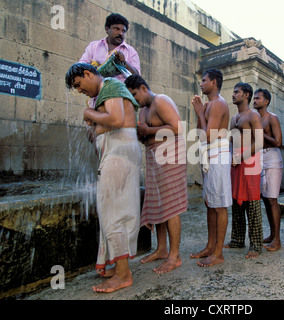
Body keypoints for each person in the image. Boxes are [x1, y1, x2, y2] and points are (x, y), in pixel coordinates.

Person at [65, 63, 142, 293]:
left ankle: (123, 275)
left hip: (119, 152)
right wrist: (95, 121)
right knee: (114, 210)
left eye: (79, 85)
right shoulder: (106, 92)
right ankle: (118, 267)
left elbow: (117, 120)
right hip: (119, 151)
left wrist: (89, 114)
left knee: (114, 212)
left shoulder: (110, 85)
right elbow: (104, 126)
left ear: (88, 74)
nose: (80, 91)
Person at [125, 74, 188, 273]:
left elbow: (178, 127)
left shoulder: (161, 100)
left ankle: (174, 256)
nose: (135, 100)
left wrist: (148, 130)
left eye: (135, 95)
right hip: (154, 157)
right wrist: (140, 133)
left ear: (143, 88)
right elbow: (146, 133)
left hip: (171, 156)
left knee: (171, 206)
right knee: (159, 204)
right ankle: (161, 249)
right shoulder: (143, 109)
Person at [190, 68, 232, 267]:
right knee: (210, 203)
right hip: (209, 154)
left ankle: (218, 252)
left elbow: (208, 136)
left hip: (218, 154)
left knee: (220, 204)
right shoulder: (209, 105)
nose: (201, 84)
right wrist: (200, 113)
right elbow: (200, 131)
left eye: (204, 80)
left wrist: (200, 111)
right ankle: (210, 246)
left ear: (214, 82)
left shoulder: (218, 104)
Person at [225, 82, 264, 259]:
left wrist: (240, 157)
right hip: (234, 162)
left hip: (249, 162)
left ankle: (256, 245)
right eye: (233, 92)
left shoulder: (253, 115)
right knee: (236, 201)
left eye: (237, 92)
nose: (233, 95)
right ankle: (237, 239)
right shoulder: (234, 118)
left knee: (252, 201)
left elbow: (260, 142)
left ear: (246, 95)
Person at [252, 88, 283, 251]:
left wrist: (260, 134)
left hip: (271, 157)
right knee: (265, 199)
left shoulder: (272, 118)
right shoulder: (255, 117)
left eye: (258, 98)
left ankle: (277, 240)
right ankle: (271, 234)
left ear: (266, 101)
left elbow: (278, 141)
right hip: (258, 156)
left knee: (272, 199)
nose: (255, 100)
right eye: (254, 98)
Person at [80, 13, 141, 81]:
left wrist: (124, 62)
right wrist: (94, 69)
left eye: (123, 31)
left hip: (120, 90)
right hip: (96, 90)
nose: (120, 33)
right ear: (107, 29)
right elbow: (80, 66)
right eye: (116, 29)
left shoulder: (131, 52)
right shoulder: (93, 46)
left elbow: (137, 77)